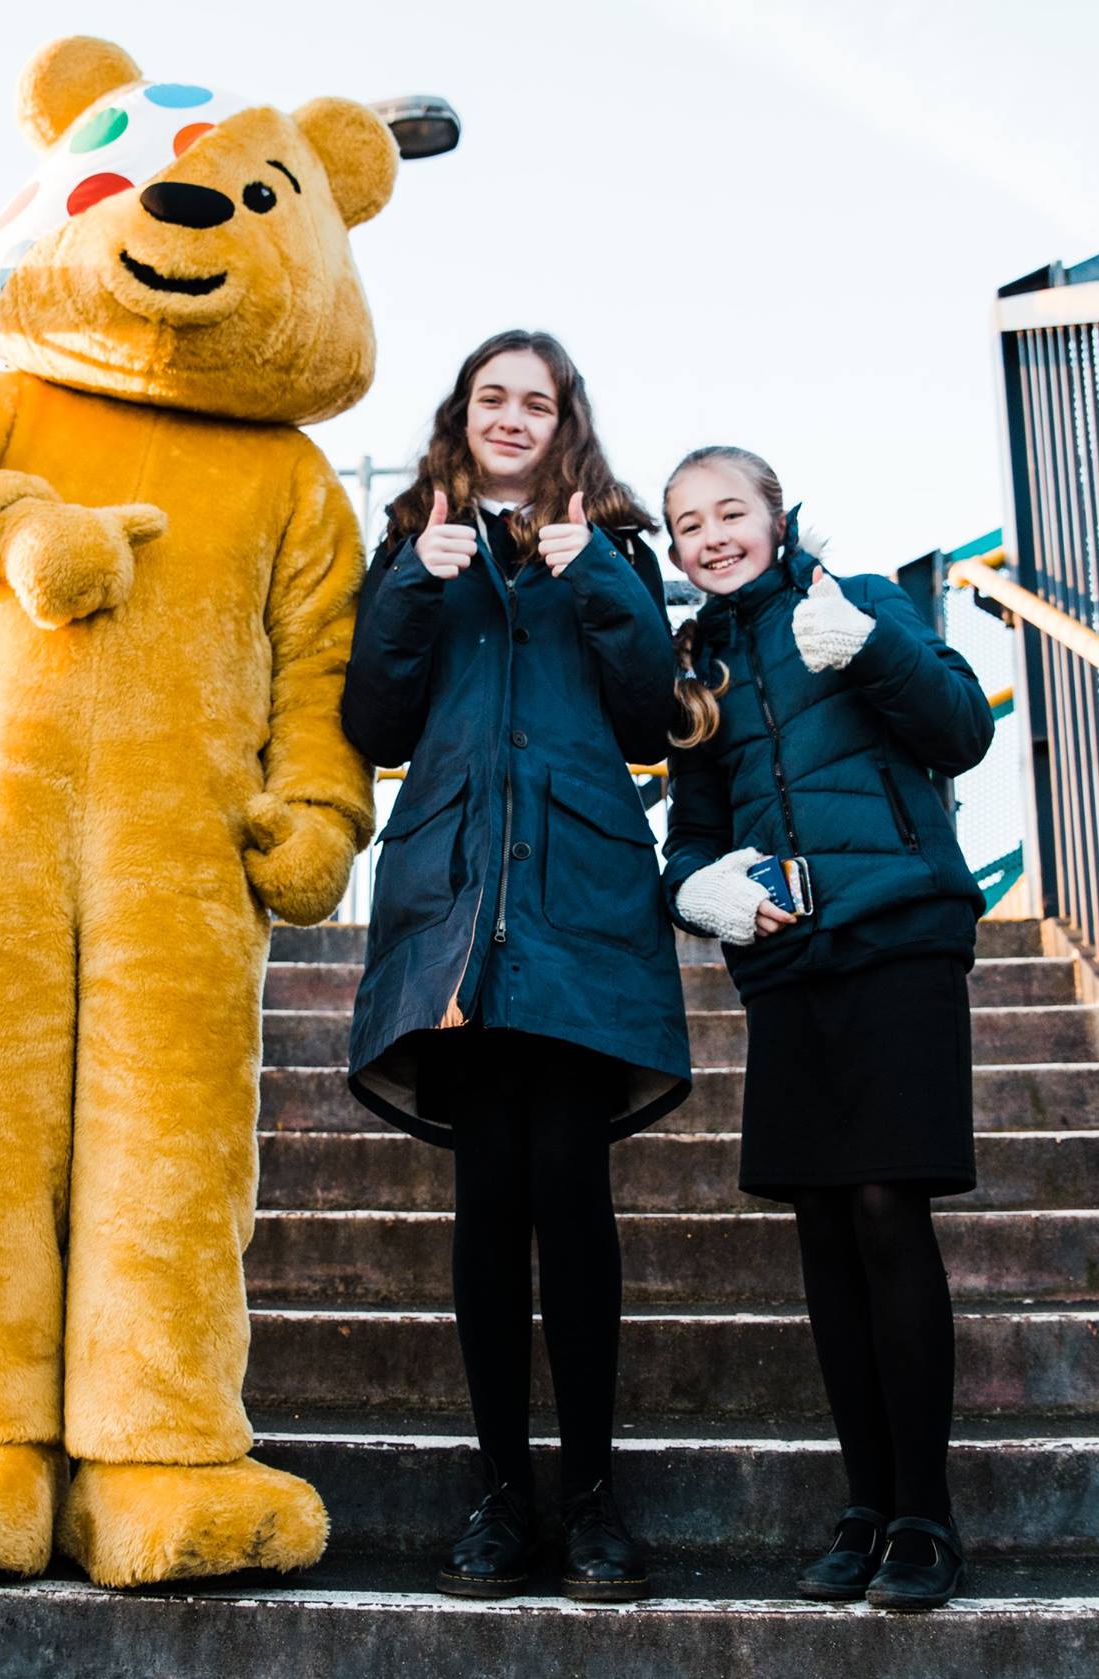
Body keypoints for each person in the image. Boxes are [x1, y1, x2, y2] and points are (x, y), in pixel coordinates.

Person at [341, 330, 690, 1602]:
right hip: (451, 909)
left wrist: (592, 570)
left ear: (563, 423)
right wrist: (412, 586)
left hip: (579, 901)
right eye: (491, 396)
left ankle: (592, 1495)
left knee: (570, 1192)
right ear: (463, 413)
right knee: (487, 1199)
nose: (510, 415)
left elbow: (652, 708)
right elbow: (372, 721)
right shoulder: (408, 542)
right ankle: (499, 1494)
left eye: (534, 401)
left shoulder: (610, 541)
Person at [658, 445, 993, 1612]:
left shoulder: (862, 604)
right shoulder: (691, 671)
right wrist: (697, 891)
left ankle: (923, 1513)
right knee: (820, 1232)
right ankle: (861, 1503)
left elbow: (959, 730)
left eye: (729, 511)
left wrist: (873, 647)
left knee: (885, 1209)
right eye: (687, 523)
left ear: (776, 514)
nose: (711, 536)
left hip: (899, 932)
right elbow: (690, 836)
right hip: (786, 959)